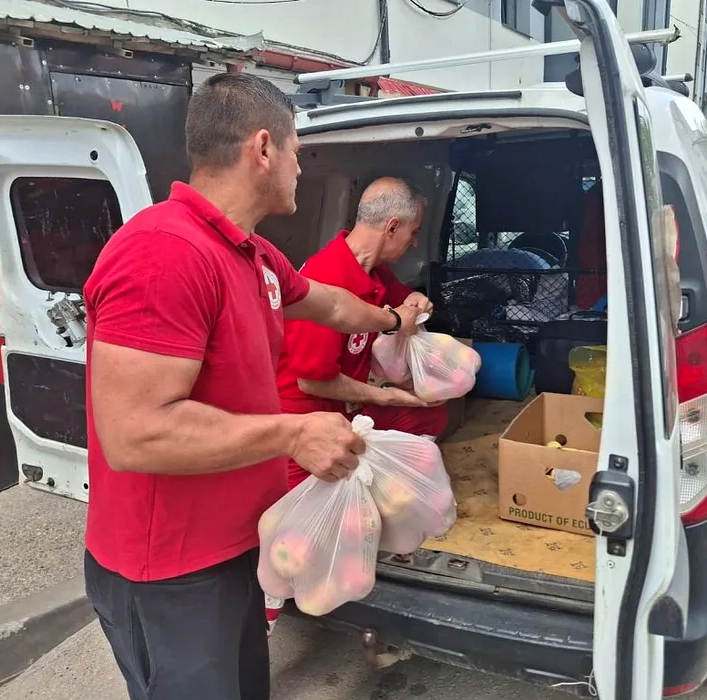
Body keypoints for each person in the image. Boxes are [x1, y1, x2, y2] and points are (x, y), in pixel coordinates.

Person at [81, 73, 421, 700]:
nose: (300, 168)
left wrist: (395, 321)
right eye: (297, 152)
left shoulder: (252, 255)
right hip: (171, 573)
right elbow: (135, 434)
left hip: (236, 546)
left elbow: (331, 305)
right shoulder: (163, 252)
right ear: (263, 148)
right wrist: (294, 432)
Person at [276, 176, 450, 493]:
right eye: (413, 232)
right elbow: (312, 382)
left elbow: (406, 303)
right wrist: (385, 394)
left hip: (348, 408)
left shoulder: (375, 272)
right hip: (308, 419)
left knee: (430, 415)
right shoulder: (325, 277)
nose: (414, 242)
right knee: (321, 506)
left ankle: (379, 480)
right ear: (392, 227)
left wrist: (417, 300)